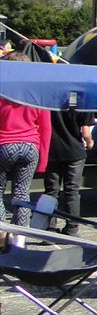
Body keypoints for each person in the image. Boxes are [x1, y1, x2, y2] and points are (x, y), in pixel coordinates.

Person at [0, 51, 51, 250]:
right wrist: (43, 161)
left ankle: (2, 234)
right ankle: (20, 240)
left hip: (4, 145)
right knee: (22, 193)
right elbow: (45, 127)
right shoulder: (36, 91)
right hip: (30, 145)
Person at [43, 105, 93, 235]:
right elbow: (86, 133)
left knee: (51, 191)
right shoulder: (82, 102)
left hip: (51, 151)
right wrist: (90, 143)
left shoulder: (49, 101)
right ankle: (72, 228)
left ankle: (49, 229)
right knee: (72, 190)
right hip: (75, 152)